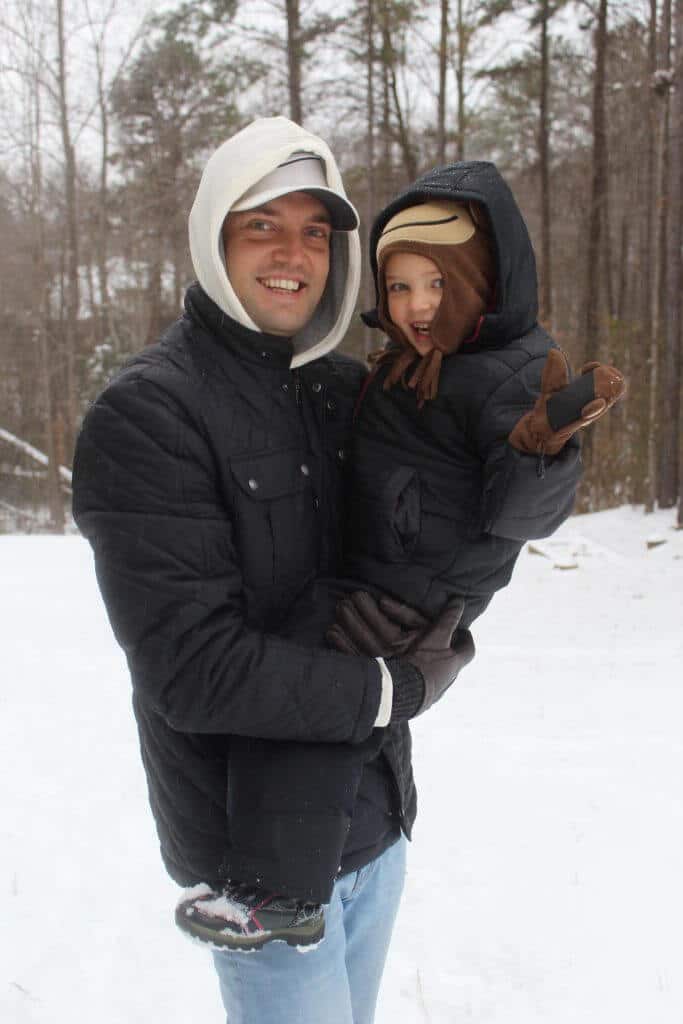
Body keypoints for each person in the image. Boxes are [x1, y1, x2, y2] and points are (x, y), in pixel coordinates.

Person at [71, 116, 474, 1024]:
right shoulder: (149, 415)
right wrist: (391, 688)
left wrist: (452, 628)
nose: (292, 253)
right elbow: (192, 671)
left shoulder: (344, 393)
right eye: (262, 225)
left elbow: (422, 552)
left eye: (315, 231)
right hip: (255, 868)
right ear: (215, 236)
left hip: (372, 822)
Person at [176, 161, 625, 951]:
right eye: (401, 286)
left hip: (421, 588)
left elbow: (524, 519)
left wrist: (537, 452)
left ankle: (284, 895)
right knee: (320, 695)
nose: (418, 306)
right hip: (382, 566)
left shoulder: (510, 373)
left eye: (437, 285)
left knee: (322, 705)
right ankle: (295, 871)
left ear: (481, 282)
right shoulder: (416, 359)